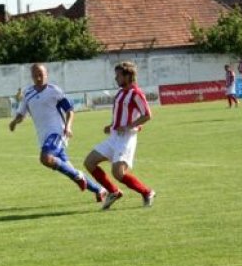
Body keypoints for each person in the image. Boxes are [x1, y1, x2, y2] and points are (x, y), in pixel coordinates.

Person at [9, 63, 106, 203]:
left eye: (41, 74)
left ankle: (78, 176)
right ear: (31, 76)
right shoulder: (28, 94)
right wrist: (14, 122)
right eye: (35, 75)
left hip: (56, 132)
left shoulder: (54, 91)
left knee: (45, 158)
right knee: (68, 169)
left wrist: (68, 127)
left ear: (46, 74)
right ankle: (99, 190)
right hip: (43, 136)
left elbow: (69, 111)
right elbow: (21, 115)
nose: (38, 77)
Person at [84, 61, 156, 210]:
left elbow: (147, 115)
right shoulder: (121, 92)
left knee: (118, 173)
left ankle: (147, 192)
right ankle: (113, 191)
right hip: (114, 136)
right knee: (89, 162)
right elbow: (120, 114)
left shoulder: (136, 93)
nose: (115, 78)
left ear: (128, 76)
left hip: (126, 138)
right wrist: (111, 125)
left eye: (118, 75)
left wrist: (130, 126)